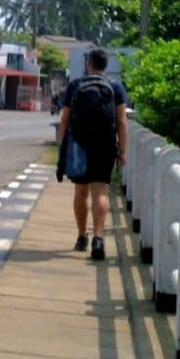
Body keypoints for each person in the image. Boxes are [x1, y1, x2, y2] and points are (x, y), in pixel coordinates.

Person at [56, 48, 128, 261]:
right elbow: (122, 122)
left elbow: (65, 119)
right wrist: (122, 150)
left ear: (89, 64)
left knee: (81, 191)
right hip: (105, 145)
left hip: (80, 144)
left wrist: (62, 146)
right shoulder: (116, 88)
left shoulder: (75, 86)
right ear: (106, 66)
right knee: (100, 192)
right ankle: (98, 238)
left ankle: (81, 237)